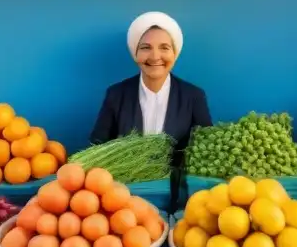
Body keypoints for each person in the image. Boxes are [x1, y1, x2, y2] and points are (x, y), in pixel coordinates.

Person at [89, 11, 212, 154]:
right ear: (136, 54)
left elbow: (206, 149)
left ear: (175, 53)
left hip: (176, 177)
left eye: (164, 48)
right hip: (126, 176)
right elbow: (97, 146)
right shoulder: (116, 94)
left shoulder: (194, 96)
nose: (155, 57)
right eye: (146, 48)